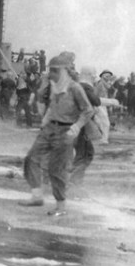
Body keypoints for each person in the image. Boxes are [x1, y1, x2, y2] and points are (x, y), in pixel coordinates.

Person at [19, 52, 93, 216]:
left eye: (55, 71)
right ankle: (37, 196)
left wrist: (76, 127)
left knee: (56, 169)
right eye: (50, 70)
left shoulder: (74, 88)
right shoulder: (54, 86)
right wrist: (45, 119)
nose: (51, 74)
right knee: (31, 159)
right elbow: (52, 105)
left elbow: (88, 110)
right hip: (49, 128)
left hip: (65, 131)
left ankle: (61, 206)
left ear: (65, 71)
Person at [70, 65, 101, 186]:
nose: (95, 76)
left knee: (83, 153)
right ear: (88, 75)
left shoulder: (76, 86)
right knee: (85, 154)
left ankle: (74, 179)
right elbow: (96, 101)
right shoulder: (85, 87)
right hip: (80, 125)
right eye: (94, 74)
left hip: (73, 122)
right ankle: (74, 181)